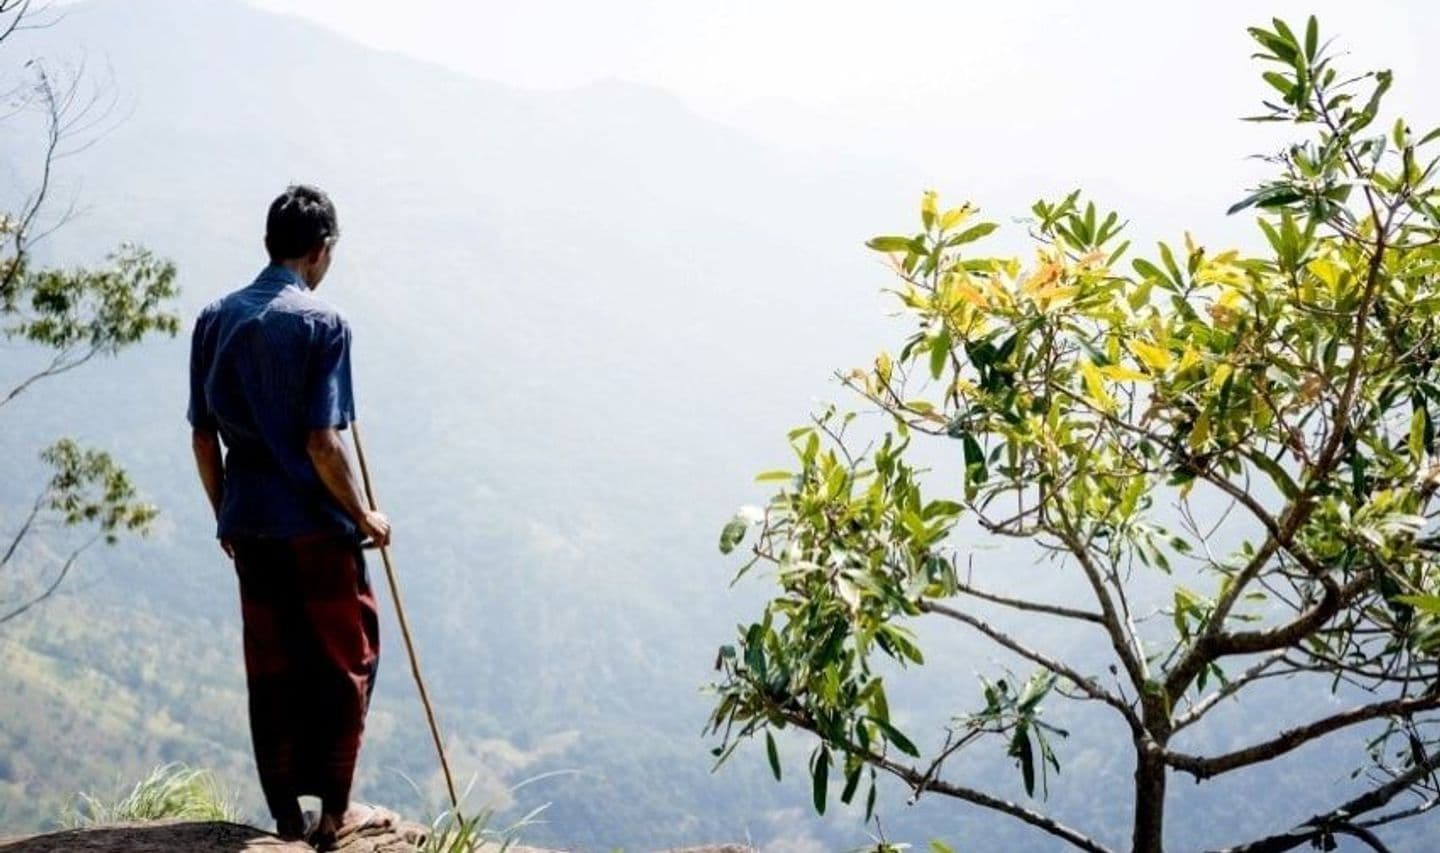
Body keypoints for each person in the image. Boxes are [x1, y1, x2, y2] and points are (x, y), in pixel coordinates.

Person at [188, 184, 395, 849]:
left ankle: (283, 818)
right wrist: (365, 514)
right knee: (346, 658)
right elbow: (322, 441)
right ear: (322, 250)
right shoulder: (322, 324)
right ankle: (334, 815)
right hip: (314, 530)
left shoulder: (213, 318)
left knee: (272, 665)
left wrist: (226, 514)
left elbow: (202, 435)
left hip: (249, 525)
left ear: (269, 244)